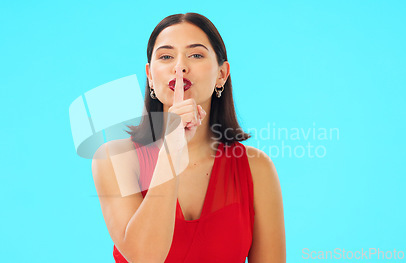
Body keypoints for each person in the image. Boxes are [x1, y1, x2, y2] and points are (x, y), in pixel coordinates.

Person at [92, 13, 285, 262]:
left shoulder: (257, 167)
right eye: (166, 56)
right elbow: (144, 257)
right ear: (150, 75)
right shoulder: (114, 158)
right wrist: (172, 146)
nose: (179, 67)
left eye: (196, 55)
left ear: (222, 74)